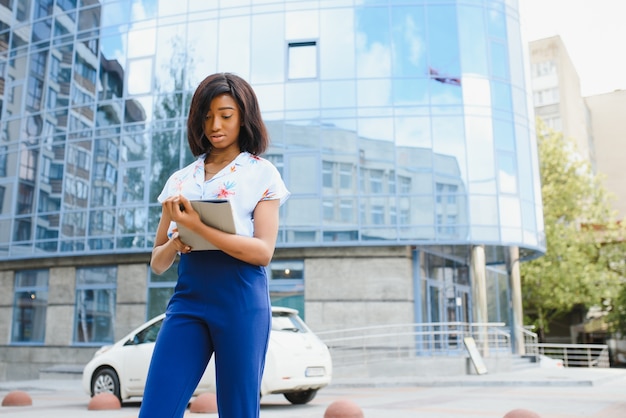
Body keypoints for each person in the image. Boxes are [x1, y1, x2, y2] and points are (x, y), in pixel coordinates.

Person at [138, 73, 290, 418]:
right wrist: (178, 241)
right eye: (206, 116)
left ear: (244, 117)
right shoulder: (179, 180)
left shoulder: (262, 174)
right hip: (188, 300)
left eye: (225, 115)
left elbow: (263, 251)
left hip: (241, 300)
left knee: (238, 411)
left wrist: (197, 226)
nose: (215, 125)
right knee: (155, 411)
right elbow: (157, 262)